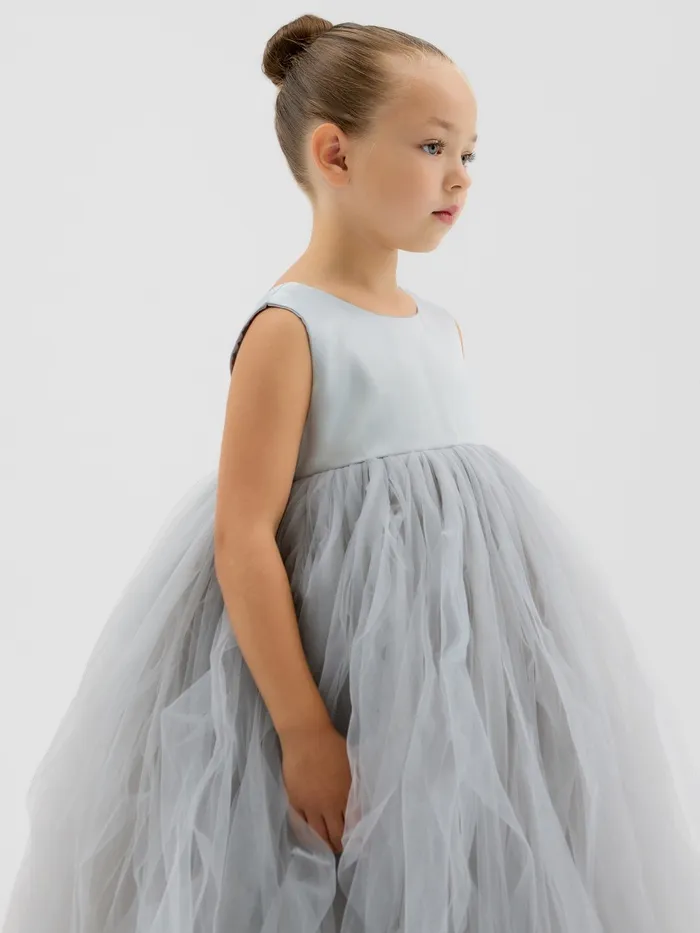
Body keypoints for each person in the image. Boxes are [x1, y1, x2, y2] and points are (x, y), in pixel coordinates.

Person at [4, 13, 700, 933]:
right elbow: (243, 535)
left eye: (469, 153)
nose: (461, 175)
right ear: (335, 153)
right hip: (334, 661)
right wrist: (303, 729)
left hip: (456, 673)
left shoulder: (441, 329)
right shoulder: (290, 329)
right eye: (432, 146)